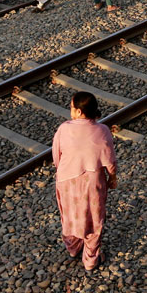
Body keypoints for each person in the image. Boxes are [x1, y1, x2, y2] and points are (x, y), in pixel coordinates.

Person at [51, 91, 117, 272]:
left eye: (72, 107)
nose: (70, 110)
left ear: (80, 112)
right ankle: (90, 260)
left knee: (70, 215)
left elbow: (56, 157)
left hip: (66, 181)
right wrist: (112, 177)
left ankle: (73, 247)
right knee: (93, 220)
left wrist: (64, 169)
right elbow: (109, 160)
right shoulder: (102, 131)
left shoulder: (64, 128)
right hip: (92, 183)